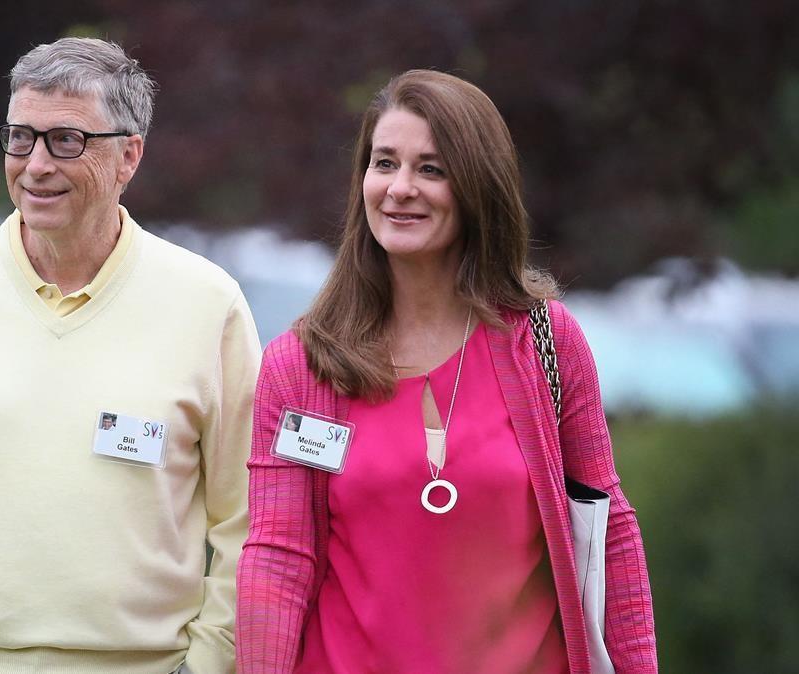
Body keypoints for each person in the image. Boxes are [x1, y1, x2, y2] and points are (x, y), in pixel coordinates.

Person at [0, 38, 261, 674]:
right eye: (19, 137)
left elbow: (244, 516)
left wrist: (209, 661)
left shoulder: (207, 304)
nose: (34, 165)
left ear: (128, 156)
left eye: (65, 141)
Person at [235, 70, 657, 673]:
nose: (400, 188)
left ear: (479, 188)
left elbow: (609, 533)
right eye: (384, 163)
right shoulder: (302, 365)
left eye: (431, 169)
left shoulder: (546, 344)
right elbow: (278, 558)